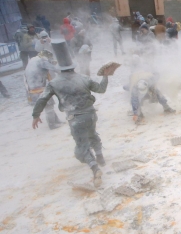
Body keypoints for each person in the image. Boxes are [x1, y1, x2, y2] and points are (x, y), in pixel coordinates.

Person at [31, 41, 119, 187]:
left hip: (75, 117)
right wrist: (105, 76)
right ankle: (100, 157)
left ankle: (95, 168)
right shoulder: (83, 78)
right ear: (72, 67)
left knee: (81, 147)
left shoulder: (54, 83)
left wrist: (36, 115)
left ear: (59, 69)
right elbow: (101, 89)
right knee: (93, 135)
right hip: (91, 115)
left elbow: (42, 99)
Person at [24, 50, 63, 129]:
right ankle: (52, 125)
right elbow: (55, 69)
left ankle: (56, 121)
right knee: (49, 105)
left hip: (31, 89)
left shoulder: (33, 60)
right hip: (38, 88)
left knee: (48, 105)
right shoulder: (42, 61)